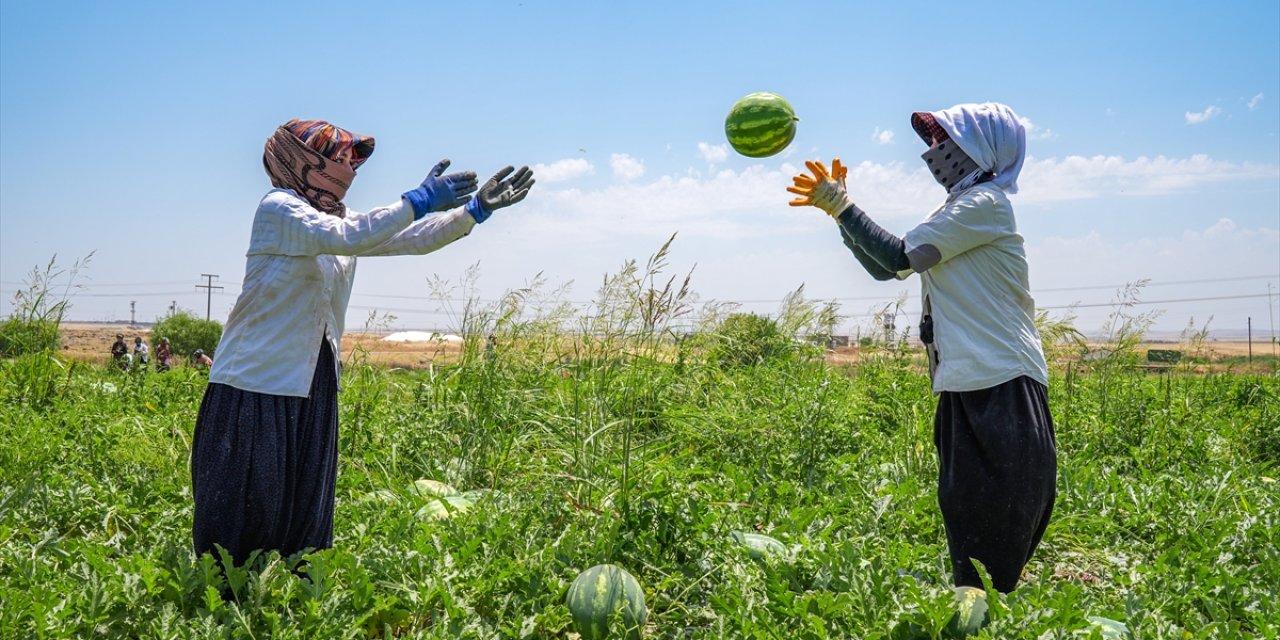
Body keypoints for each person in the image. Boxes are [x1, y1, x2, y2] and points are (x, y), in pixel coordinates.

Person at [190, 118, 535, 567]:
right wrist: (419, 200)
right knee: (247, 504)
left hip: (311, 376)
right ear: (301, 161)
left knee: (303, 499)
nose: (349, 170)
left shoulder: (337, 219)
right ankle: (223, 604)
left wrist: (473, 213)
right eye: (339, 159)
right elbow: (350, 237)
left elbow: (410, 238)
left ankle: (296, 595)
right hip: (256, 380)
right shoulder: (278, 209)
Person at [787, 102, 1056, 593]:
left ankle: (992, 607)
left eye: (943, 141)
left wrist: (845, 209)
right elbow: (886, 268)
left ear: (979, 148)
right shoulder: (954, 209)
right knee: (963, 502)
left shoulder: (986, 205)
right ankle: (972, 605)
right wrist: (840, 215)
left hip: (1002, 377)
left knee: (1002, 509)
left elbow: (896, 255)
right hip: (962, 377)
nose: (934, 151)